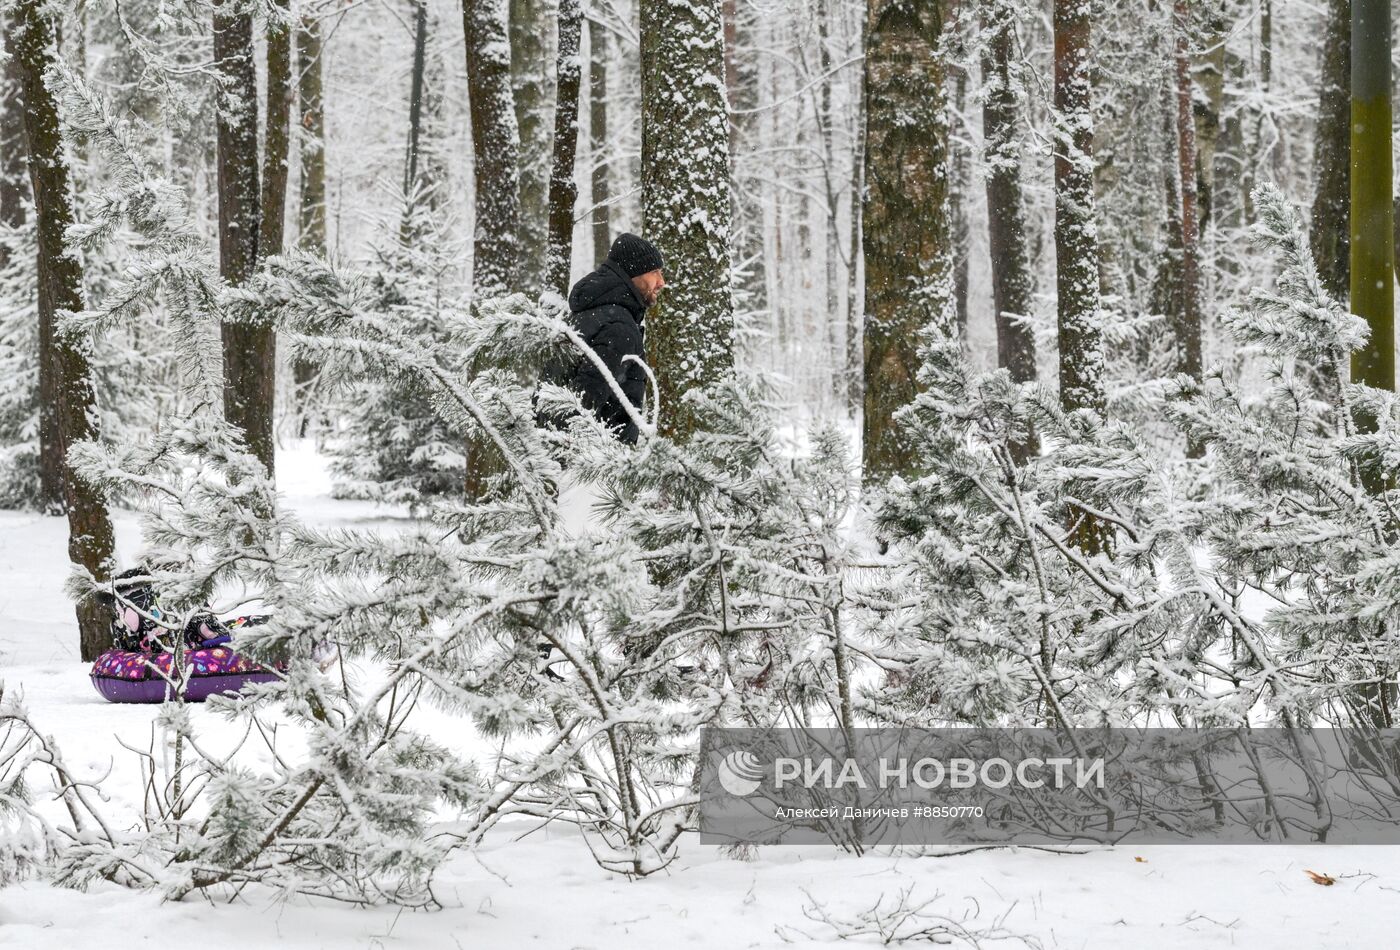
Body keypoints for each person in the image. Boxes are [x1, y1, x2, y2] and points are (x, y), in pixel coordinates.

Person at [551, 232, 666, 445]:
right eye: (654, 272)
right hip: (593, 466)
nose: (662, 282)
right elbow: (579, 406)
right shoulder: (618, 327)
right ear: (634, 273)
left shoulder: (589, 312)